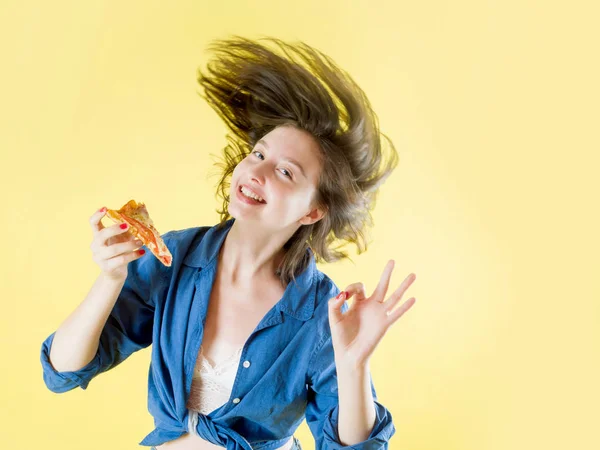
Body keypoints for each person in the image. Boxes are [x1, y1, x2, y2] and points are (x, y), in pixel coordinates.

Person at [40, 36, 417, 449]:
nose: (257, 172)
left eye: (286, 172)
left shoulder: (321, 314)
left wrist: (354, 365)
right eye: (258, 154)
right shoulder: (174, 259)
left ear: (313, 211)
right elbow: (62, 371)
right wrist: (111, 277)